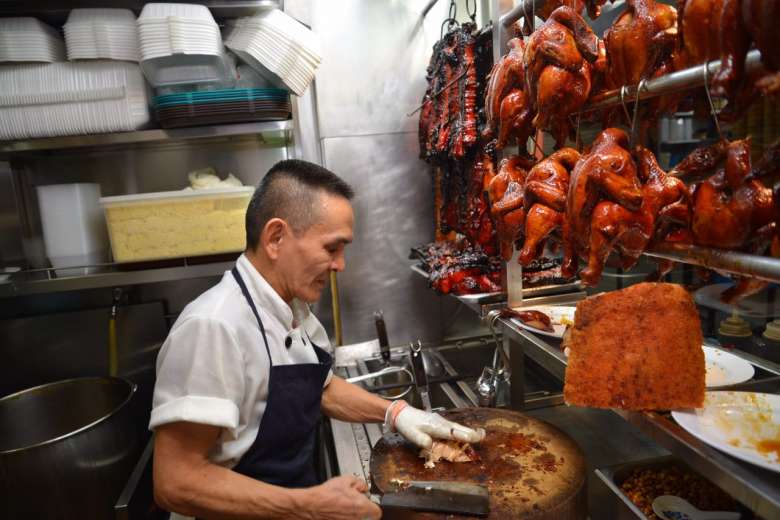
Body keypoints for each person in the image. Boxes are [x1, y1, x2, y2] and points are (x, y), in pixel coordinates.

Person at [150, 159, 485, 520]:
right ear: (276, 238)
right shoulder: (214, 327)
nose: (341, 265)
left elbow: (319, 388)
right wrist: (309, 505)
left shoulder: (291, 306)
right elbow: (175, 482)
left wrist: (396, 412)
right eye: (331, 248)